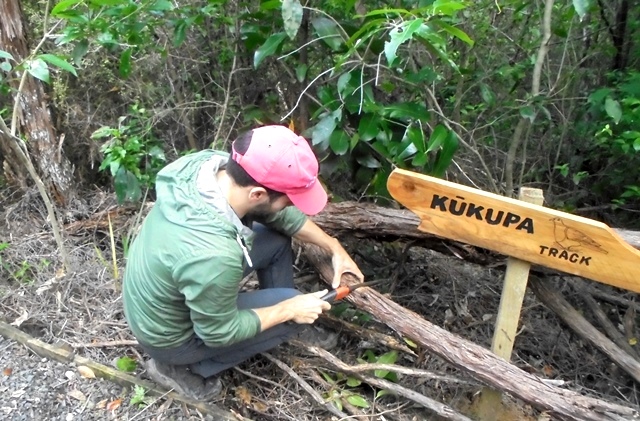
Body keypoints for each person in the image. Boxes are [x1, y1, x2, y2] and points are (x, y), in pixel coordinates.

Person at [122, 125, 364, 400]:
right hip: (168, 338)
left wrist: (334, 247)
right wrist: (288, 310)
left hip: (160, 295)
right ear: (257, 195)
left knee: (274, 239)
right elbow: (219, 333)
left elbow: (279, 217)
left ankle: (284, 325)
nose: (291, 206)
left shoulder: (209, 167)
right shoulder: (214, 254)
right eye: (289, 200)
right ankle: (180, 368)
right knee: (291, 305)